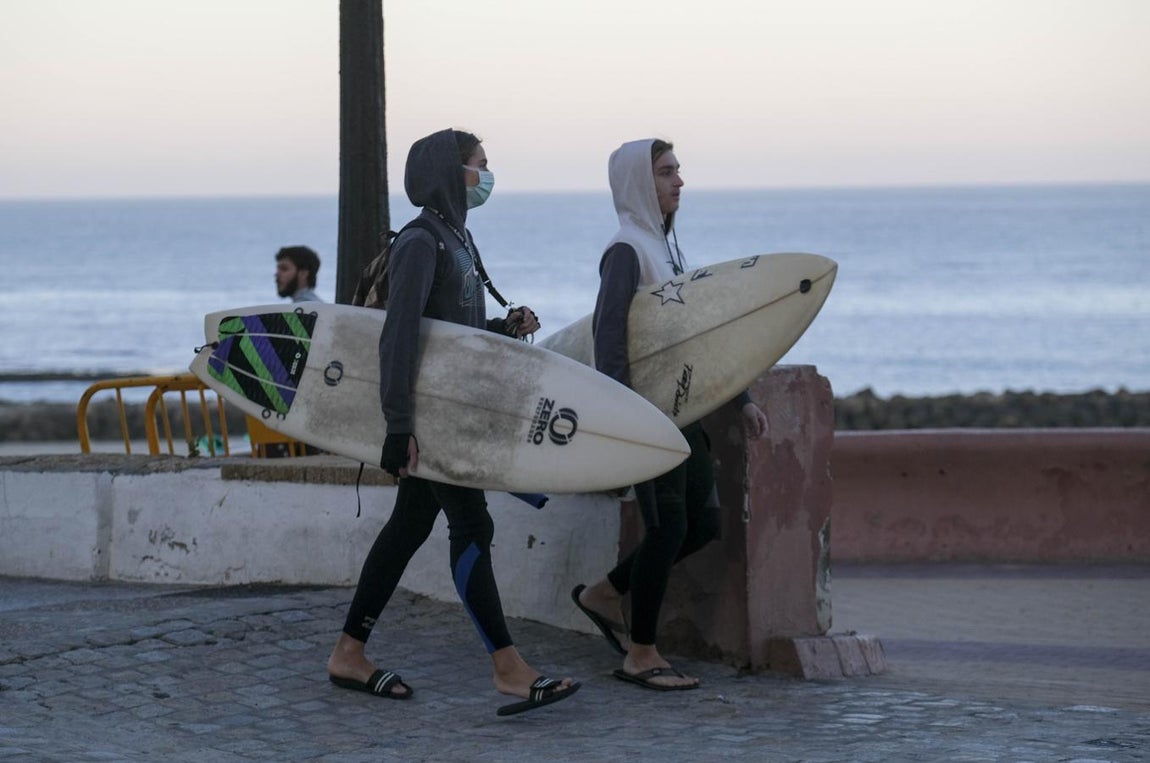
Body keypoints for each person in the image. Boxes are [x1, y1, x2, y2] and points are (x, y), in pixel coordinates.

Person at [326, 128, 579, 716]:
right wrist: (397, 424)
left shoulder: (458, 238)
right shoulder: (421, 241)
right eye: (479, 165)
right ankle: (509, 669)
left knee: (409, 527)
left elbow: (451, 335)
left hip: (448, 412)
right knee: (472, 525)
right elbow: (399, 334)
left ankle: (348, 652)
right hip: (430, 419)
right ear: (450, 171)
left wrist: (502, 327)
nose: (486, 176)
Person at [571, 138, 769, 691]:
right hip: (648, 420)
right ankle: (641, 652)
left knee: (702, 525)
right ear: (639, 183)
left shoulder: (669, 252)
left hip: (687, 415)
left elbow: (700, 337)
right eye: (665, 172)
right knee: (666, 529)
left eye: (679, 171)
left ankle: (605, 593)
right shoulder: (626, 252)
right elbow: (607, 342)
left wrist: (742, 399)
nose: (679, 181)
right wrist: (624, 422)